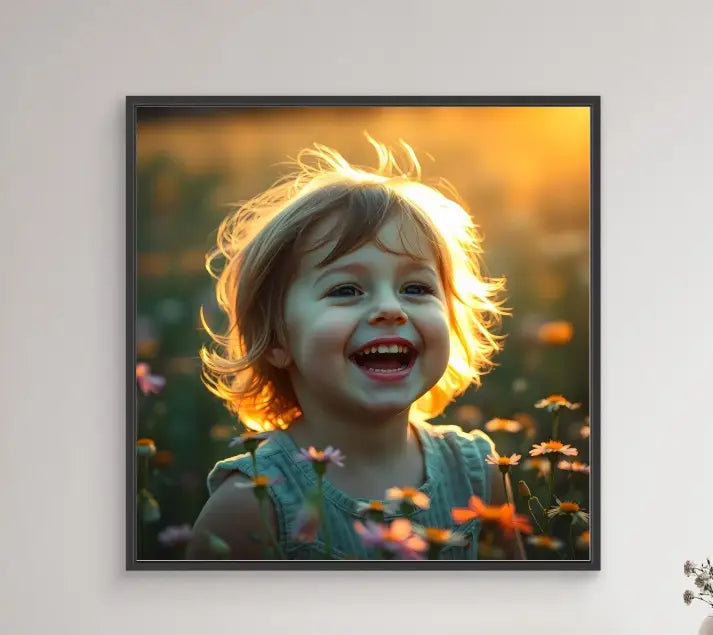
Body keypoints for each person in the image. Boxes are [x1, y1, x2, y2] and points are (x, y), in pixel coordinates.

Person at [186, 140, 523, 561]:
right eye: (346, 289)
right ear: (275, 340)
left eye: (415, 288)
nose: (389, 308)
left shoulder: (478, 474)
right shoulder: (252, 503)